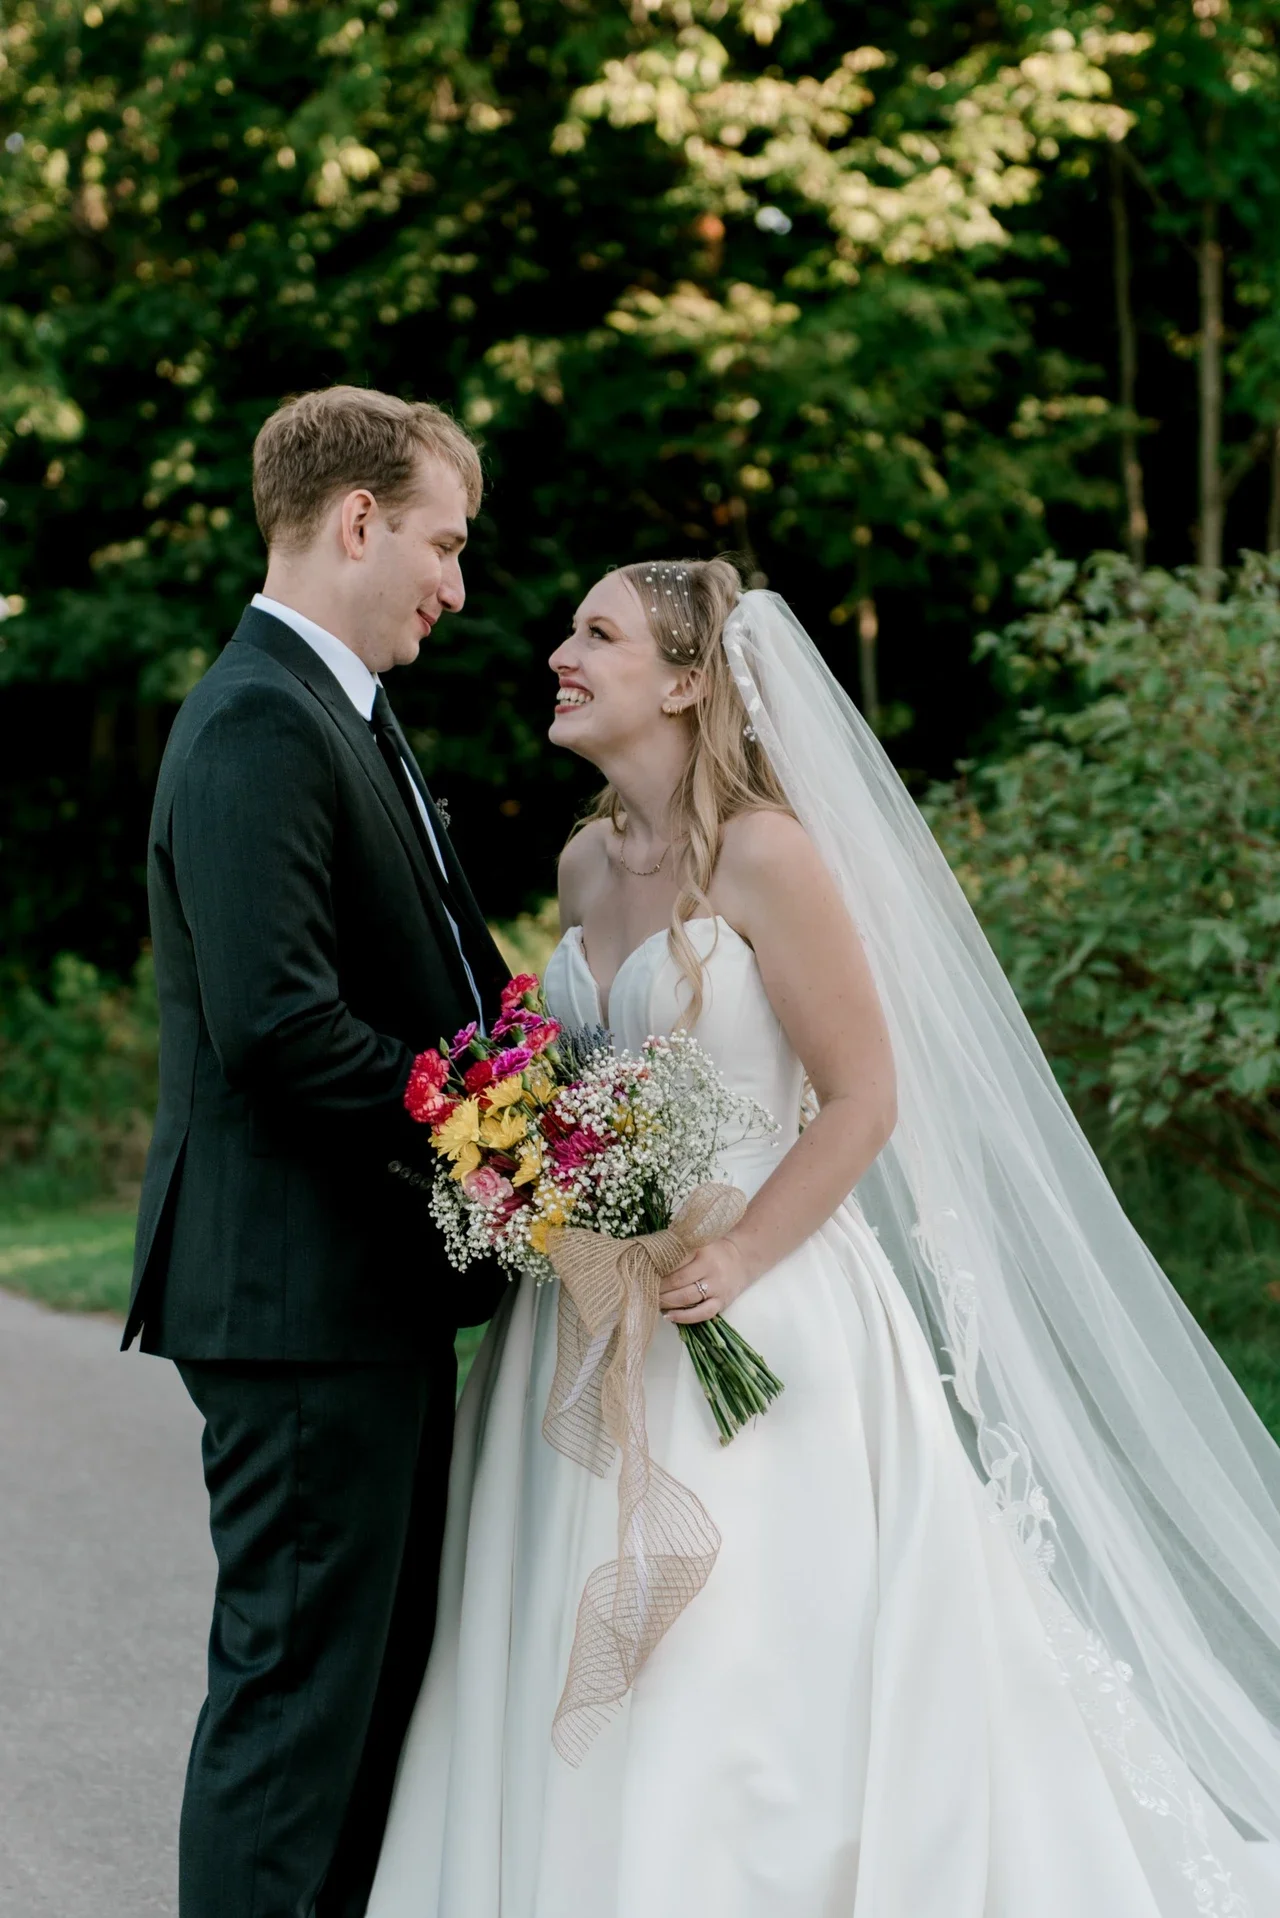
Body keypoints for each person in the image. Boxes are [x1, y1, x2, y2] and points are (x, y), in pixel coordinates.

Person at [368, 555, 1280, 1916]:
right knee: (562, 1646)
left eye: (598, 633)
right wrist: (539, 1171)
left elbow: (863, 1099)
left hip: (762, 1307)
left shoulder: (768, 853)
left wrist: (735, 1255)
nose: (563, 651)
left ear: (685, 679)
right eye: (570, 631)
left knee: (731, 1680)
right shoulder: (577, 861)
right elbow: (577, 1086)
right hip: (588, 1318)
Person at [124, 385, 510, 1918]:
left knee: (359, 1702)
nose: (456, 586)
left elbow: (438, 974)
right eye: (443, 542)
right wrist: (498, 1146)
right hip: (299, 1300)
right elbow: (276, 1026)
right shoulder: (256, 720)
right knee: (294, 1715)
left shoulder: (343, 710)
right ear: (358, 520)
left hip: (364, 1294)